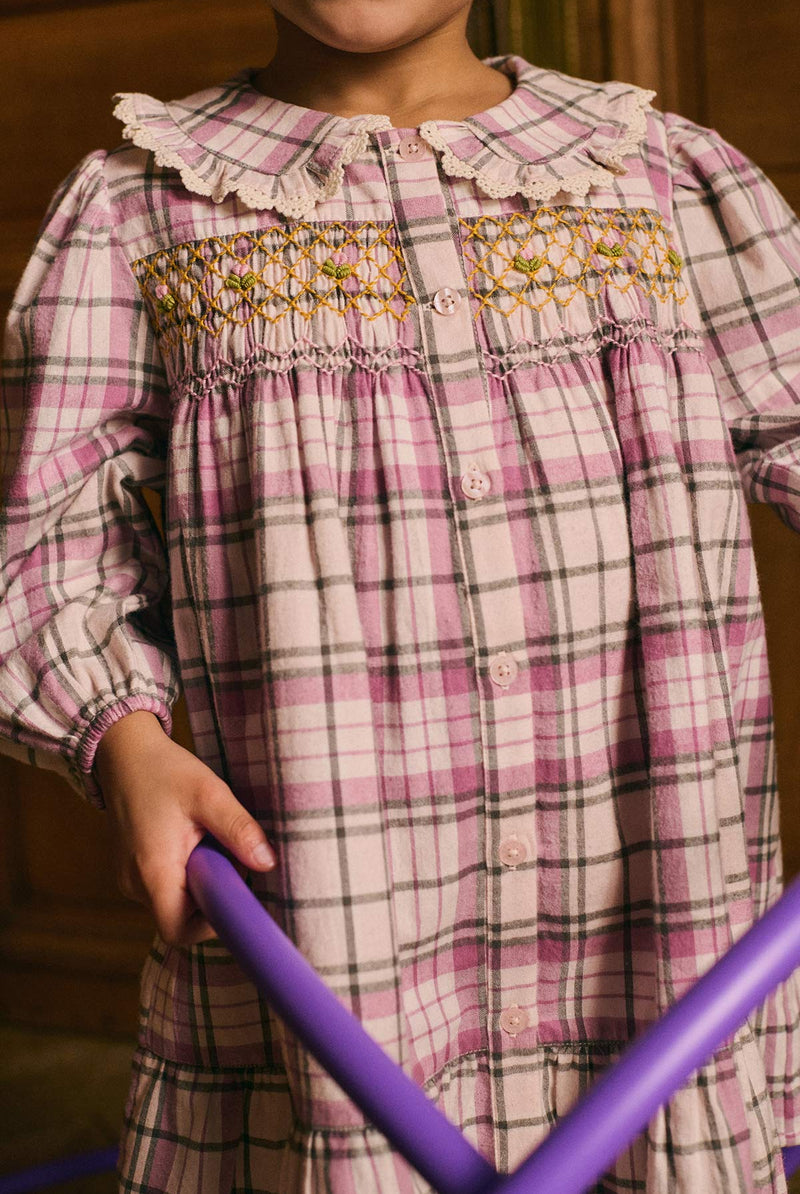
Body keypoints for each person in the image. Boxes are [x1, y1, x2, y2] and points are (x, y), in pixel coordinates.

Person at [1, 0, 799, 1190]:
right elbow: (50, 538)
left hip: (648, 931)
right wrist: (124, 745)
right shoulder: (135, 208)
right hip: (336, 933)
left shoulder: (665, 181)